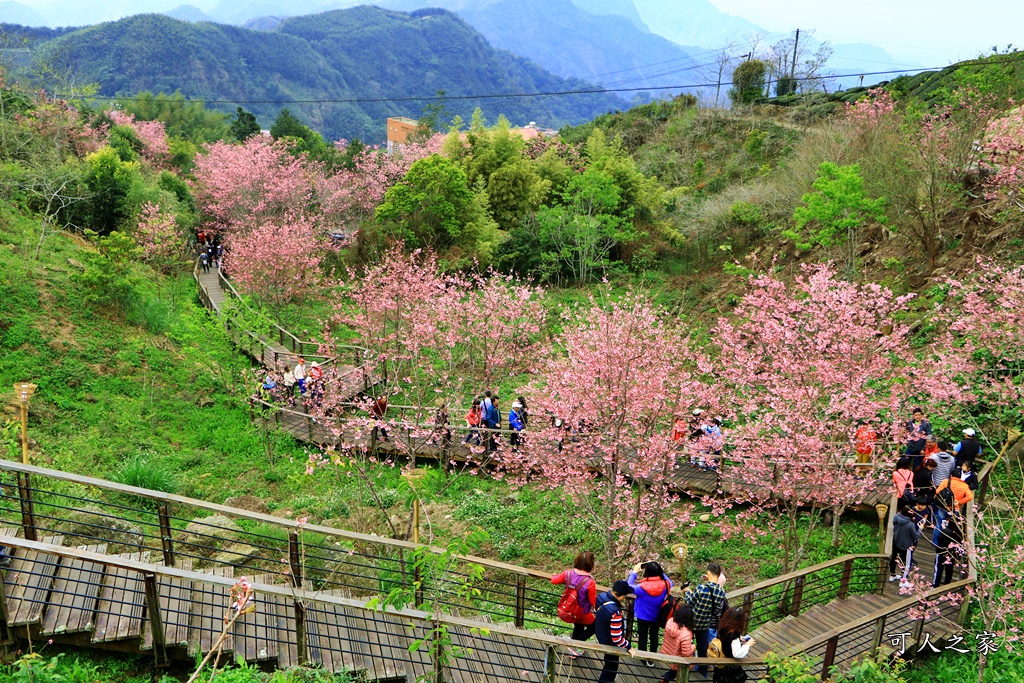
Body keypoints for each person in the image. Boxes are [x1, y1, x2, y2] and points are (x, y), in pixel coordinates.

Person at [684, 562, 727, 675]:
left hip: (692, 622)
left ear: (708, 573)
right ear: (718, 575)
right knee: (703, 648)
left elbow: (689, 602)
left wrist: (687, 592)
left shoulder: (701, 588)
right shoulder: (721, 592)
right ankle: (703, 671)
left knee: (686, 643)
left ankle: (684, 666)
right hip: (705, 624)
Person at [551, 551, 598, 655]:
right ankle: (575, 645)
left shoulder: (568, 573)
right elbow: (593, 601)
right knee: (594, 627)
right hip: (583, 612)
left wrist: (555, 575)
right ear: (591, 565)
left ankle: (575, 649)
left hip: (570, 608)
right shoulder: (590, 582)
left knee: (578, 626)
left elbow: (554, 580)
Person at [628, 561, 672, 661]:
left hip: (642, 615)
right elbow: (669, 580)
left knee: (642, 637)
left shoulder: (641, 588)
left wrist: (634, 572)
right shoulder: (666, 584)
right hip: (657, 615)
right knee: (654, 636)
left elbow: (628, 586)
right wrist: (659, 571)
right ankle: (652, 658)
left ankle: (642, 658)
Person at [594, 580, 635, 683]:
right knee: (611, 667)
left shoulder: (601, 596)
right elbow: (616, 637)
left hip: (601, 634)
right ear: (621, 596)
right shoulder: (615, 612)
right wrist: (628, 646)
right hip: (609, 642)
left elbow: (596, 612)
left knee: (608, 663)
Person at [712, 607, 754, 683]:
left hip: (720, 659)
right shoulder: (734, 635)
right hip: (729, 667)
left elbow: (726, 640)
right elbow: (737, 654)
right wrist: (747, 645)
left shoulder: (722, 627)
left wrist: (739, 639)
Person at [658, 604, 696, 683]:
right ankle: (667, 678)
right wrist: (693, 647)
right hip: (678, 658)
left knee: (675, 670)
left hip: (668, 652)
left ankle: (665, 678)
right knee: (687, 663)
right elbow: (686, 653)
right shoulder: (686, 633)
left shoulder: (670, 621)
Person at [889, 500, 920, 589]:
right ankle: (903, 580)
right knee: (906, 563)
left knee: (894, 558)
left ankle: (892, 575)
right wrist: (920, 529)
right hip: (906, 545)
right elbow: (915, 536)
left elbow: (894, 524)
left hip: (896, 541)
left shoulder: (896, 517)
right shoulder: (910, 525)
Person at [932, 511, 965, 588]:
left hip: (942, 551)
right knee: (949, 569)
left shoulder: (946, 531)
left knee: (939, 568)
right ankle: (947, 584)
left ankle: (936, 584)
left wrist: (944, 529)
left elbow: (939, 538)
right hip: (952, 553)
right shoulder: (959, 533)